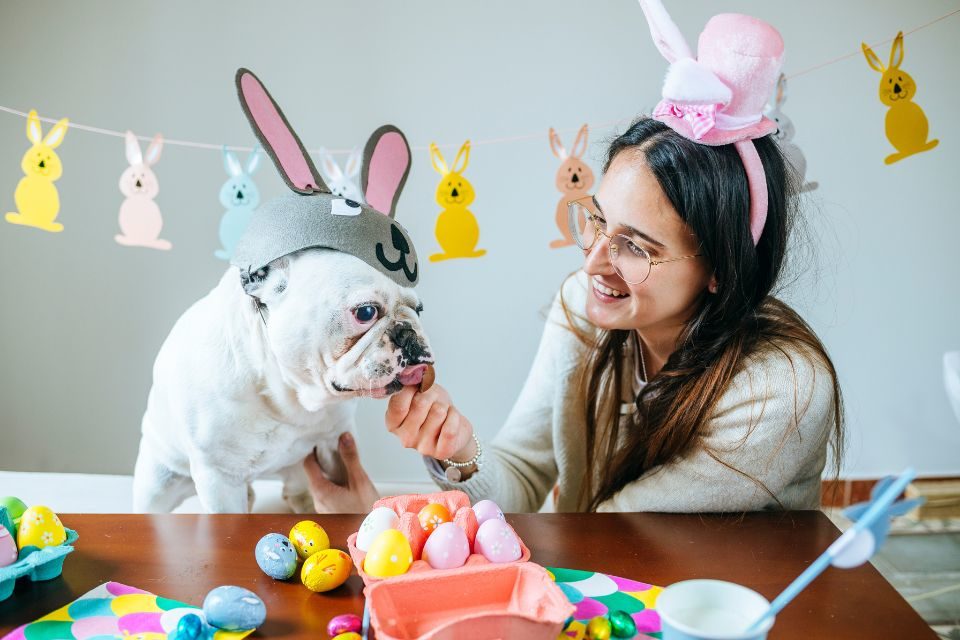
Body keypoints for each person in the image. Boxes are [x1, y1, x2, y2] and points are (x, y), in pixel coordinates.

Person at [303, 1, 844, 514]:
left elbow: (617, 530)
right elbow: (521, 477)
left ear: (719, 272)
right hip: (614, 596)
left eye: (634, 247)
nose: (592, 265)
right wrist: (461, 449)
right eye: (599, 221)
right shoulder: (582, 310)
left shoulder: (782, 390)